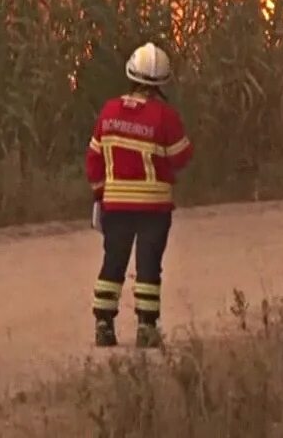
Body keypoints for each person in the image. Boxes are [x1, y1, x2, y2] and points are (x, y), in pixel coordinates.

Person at [85, 41, 193, 348]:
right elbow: (181, 157)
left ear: (131, 74)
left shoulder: (109, 111)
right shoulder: (165, 116)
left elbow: (93, 160)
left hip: (115, 205)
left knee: (113, 262)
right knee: (148, 266)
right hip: (154, 208)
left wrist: (100, 193)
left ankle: (104, 325)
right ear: (162, 81)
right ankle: (146, 328)